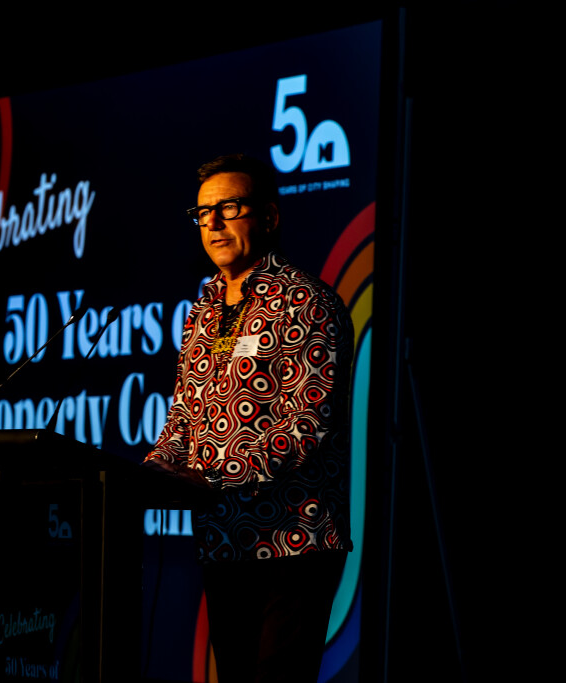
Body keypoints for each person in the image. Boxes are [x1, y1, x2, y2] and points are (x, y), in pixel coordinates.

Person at [144, 153, 354, 683]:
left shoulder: (308, 303)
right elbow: (183, 417)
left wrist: (212, 477)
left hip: (293, 542)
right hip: (223, 541)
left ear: (269, 217)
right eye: (203, 213)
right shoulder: (202, 312)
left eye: (230, 208)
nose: (213, 223)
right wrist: (152, 470)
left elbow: (307, 424)